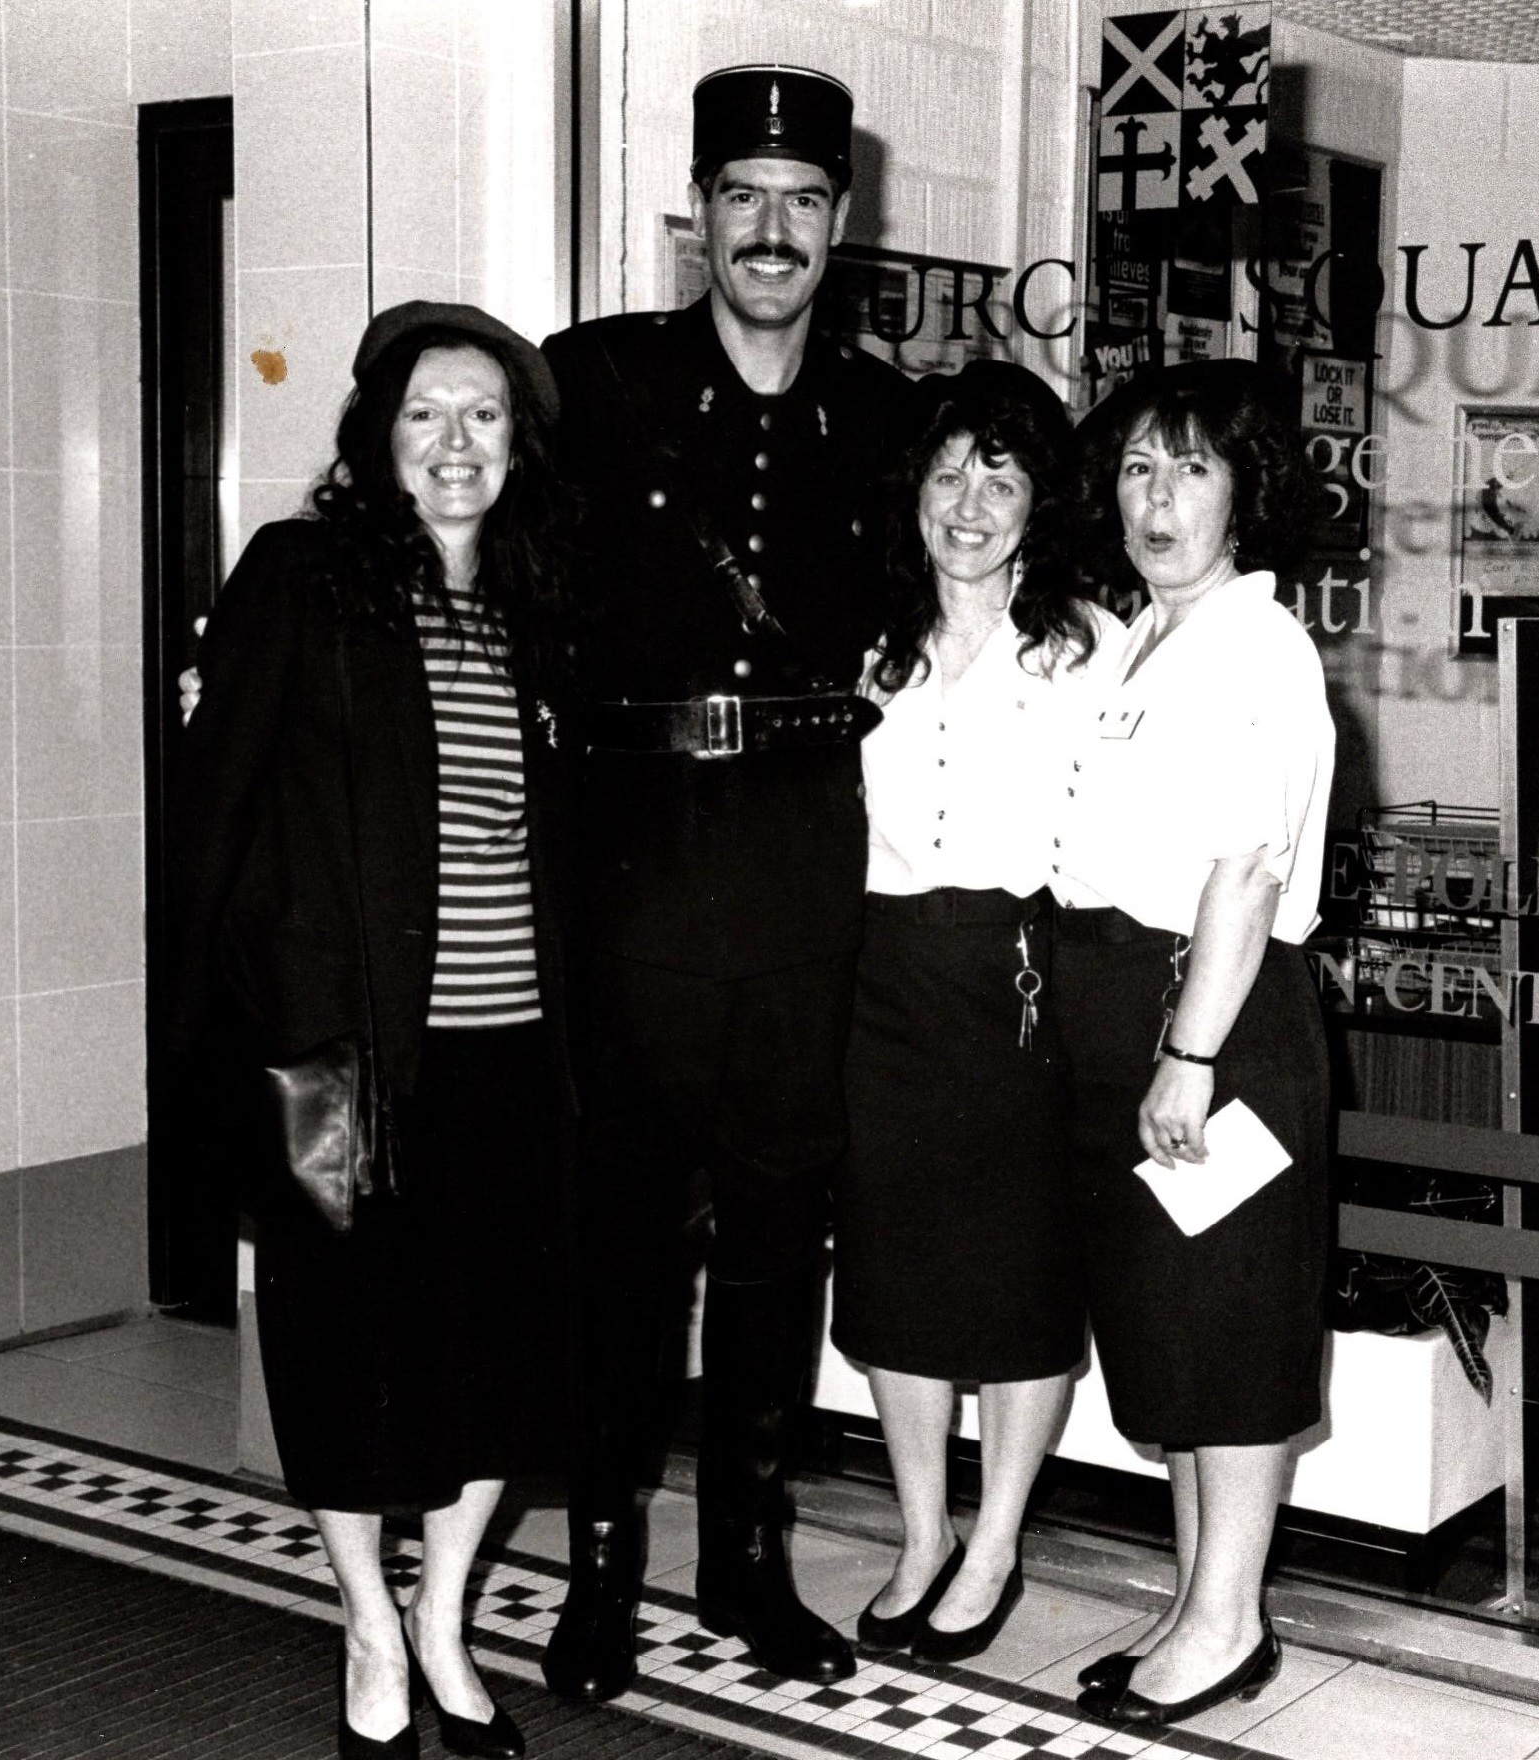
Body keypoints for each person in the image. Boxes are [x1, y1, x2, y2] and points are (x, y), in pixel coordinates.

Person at [537, 64, 917, 1698]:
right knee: (624, 1233)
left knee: (779, 1227)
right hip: (631, 855)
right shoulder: (590, 385)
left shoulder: (890, 420)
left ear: (845, 224)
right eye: (742, 198)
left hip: (808, 856)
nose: (771, 231)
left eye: (803, 202)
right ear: (697, 213)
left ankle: (746, 1565)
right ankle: (604, 1573)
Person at [170, 303, 578, 1760]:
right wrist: (241, 1041)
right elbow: (211, 819)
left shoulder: (540, 601)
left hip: (511, 1051)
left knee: (498, 1353)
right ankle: (362, 1620)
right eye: (425, 415)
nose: (456, 445)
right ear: (375, 435)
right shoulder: (302, 577)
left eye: (483, 417)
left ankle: (444, 1619)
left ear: (518, 443)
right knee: (345, 1351)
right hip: (338, 1059)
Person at [1053, 361, 1334, 1727]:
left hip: (1217, 1026)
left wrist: (1190, 1055)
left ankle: (1227, 1625)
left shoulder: (1254, 644)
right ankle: (1192, 1603)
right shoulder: (1138, 639)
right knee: (1171, 1327)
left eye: (1192, 469)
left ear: (1246, 492)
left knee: (1225, 1331)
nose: (1157, 500)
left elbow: (1246, 870)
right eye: (1136, 470)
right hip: (1143, 1019)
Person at [832, 360, 1108, 1663]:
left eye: (999, 475)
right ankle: (922, 1530)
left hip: (1023, 980)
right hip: (882, 976)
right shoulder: (867, 645)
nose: (970, 501)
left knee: (1017, 1273)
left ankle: (996, 1537)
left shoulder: (1091, 649)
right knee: (895, 1271)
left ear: (1039, 498)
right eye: (949, 472)